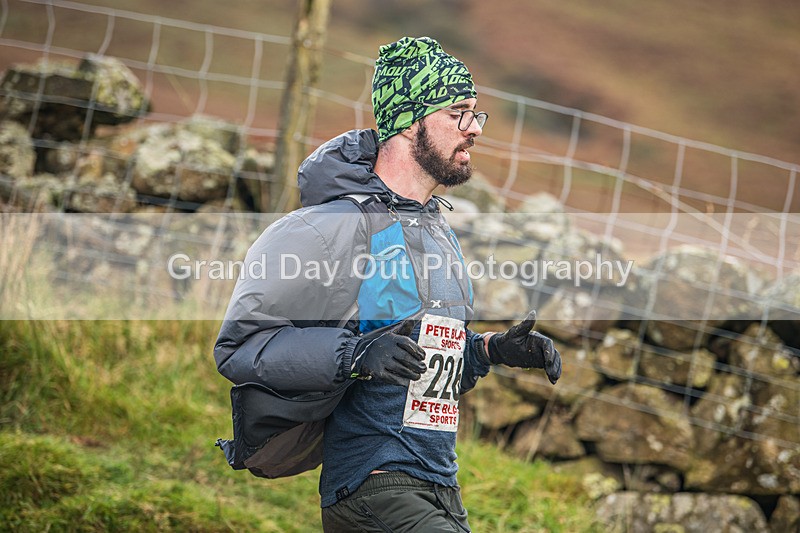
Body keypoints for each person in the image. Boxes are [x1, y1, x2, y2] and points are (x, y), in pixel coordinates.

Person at [214, 36, 562, 532]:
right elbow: (241, 346)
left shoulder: (438, 231)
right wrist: (354, 355)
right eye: (458, 113)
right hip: (372, 489)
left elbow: (416, 368)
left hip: (441, 487)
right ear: (408, 121)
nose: (475, 129)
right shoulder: (327, 227)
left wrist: (489, 351)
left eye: (476, 114)